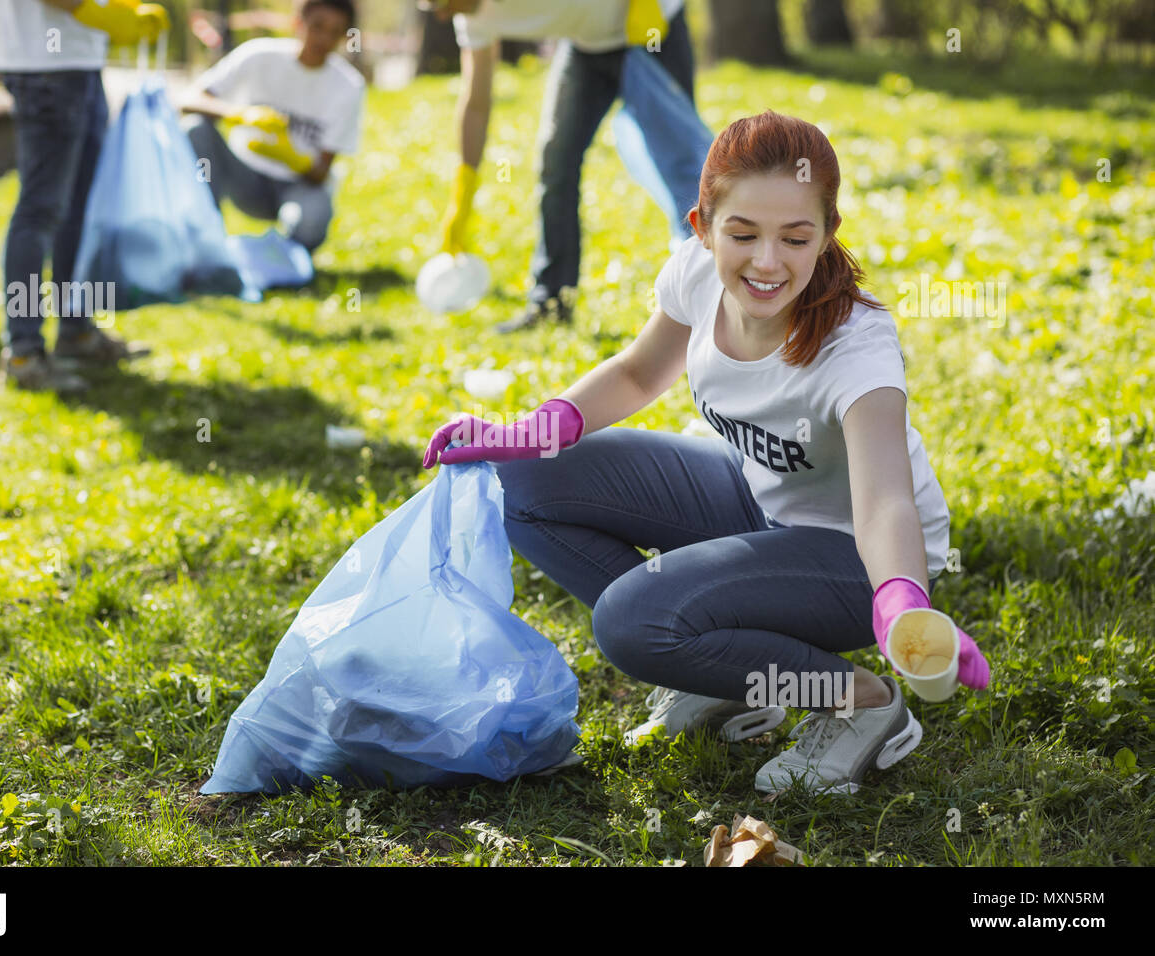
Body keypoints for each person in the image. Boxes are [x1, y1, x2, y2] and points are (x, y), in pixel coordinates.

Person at [422, 111, 991, 795]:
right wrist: (527, 433)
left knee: (632, 622)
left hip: (856, 560)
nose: (767, 261)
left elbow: (885, 503)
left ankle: (859, 701)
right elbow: (638, 374)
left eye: (796, 237)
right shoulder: (697, 271)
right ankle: (726, 678)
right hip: (760, 502)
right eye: (743, 234)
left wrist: (902, 599)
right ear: (702, 225)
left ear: (827, 234)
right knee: (520, 482)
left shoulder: (856, 346)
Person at [428, 0, 693, 333]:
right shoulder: (467, 14)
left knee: (683, 165)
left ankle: (703, 299)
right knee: (556, 162)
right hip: (586, 47)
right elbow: (476, 101)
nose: (438, 14)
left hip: (652, 30)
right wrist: (463, 190)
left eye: (439, 2)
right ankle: (551, 302)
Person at [0, 0, 168, 392]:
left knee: (81, 209)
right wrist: (106, 14)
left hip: (79, 63)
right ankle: (24, 353)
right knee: (39, 211)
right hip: (45, 67)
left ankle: (75, 329)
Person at [178, 0, 364, 254]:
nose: (323, 38)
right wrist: (238, 114)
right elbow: (189, 100)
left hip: (298, 186)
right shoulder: (259, 55)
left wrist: (293, 158)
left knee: (311, 224)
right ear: (298, 22)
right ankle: (207, 239)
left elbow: (322, 172)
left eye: (335, 32)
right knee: (195, 129)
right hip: (243, 175)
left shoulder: (349, 86)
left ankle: (285, 255)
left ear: (345, 37)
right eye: (317, 26)